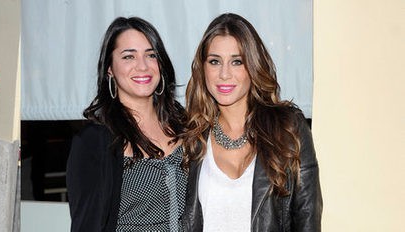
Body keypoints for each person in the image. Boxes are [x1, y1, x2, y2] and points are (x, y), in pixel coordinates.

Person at [179, 13, 322, 231]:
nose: (224, 74)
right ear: (203, 68)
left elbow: (307, 218)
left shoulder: (288, 128)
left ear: (253, 66)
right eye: (215, 61)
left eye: (237, 61)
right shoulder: (192, 136)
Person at [66, 17, 188, 231]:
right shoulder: (94, 142)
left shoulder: (186, 125)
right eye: (129, 56)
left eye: (151, 55)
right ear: (109, 69)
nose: (142, 66)